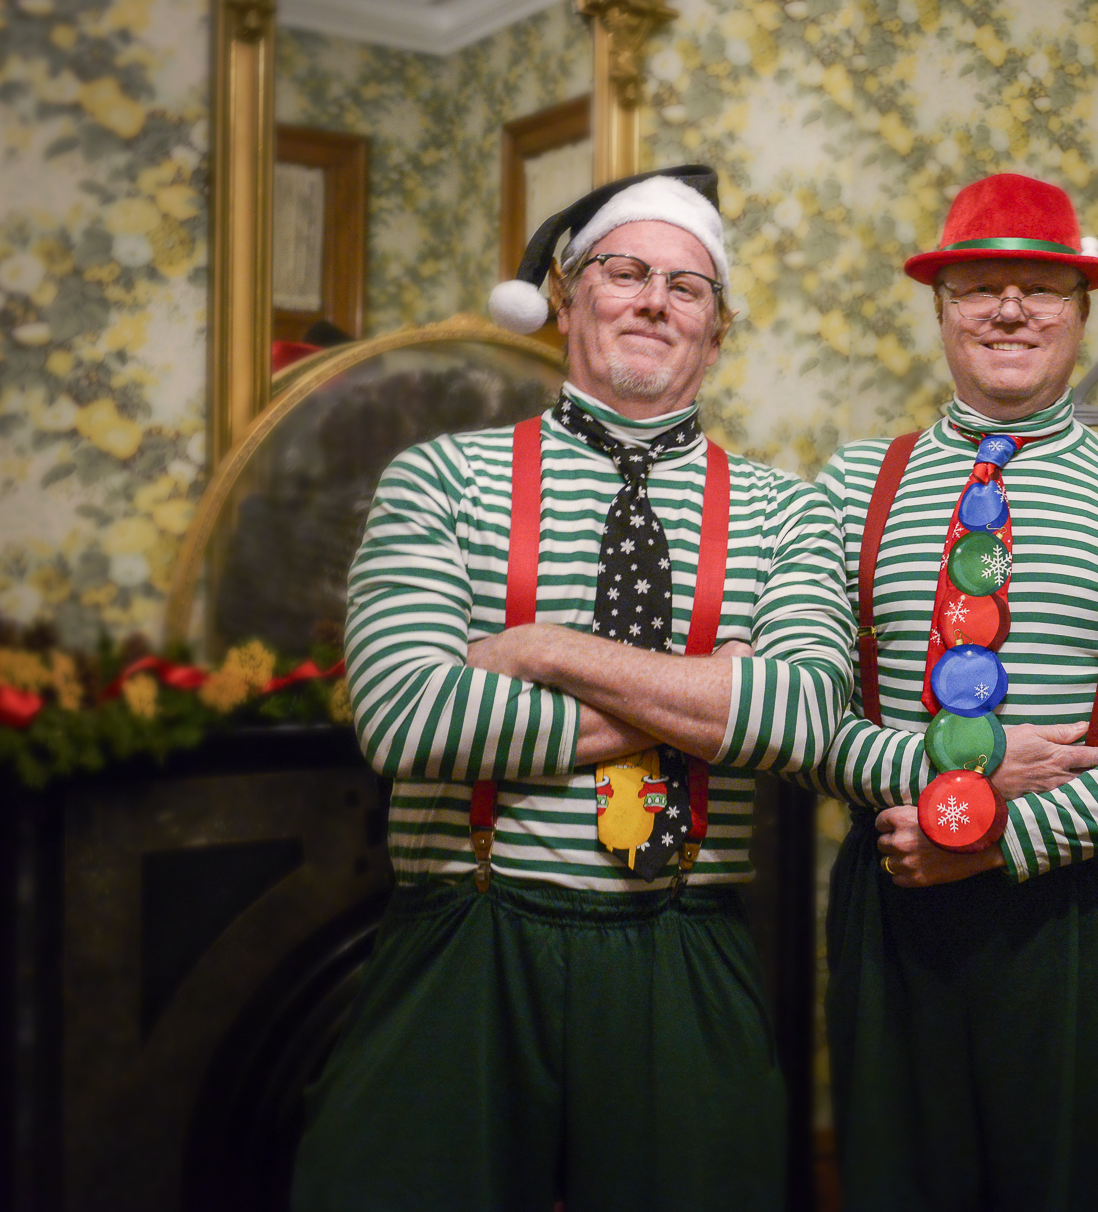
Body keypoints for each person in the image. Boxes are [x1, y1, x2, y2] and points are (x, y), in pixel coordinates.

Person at [292, 166, 853, 1212]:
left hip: (682, 939)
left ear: (717, 331)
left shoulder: (787, 511)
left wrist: (543, 646)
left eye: (686, 287)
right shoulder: (439, 478)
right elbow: (409, 715)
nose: (652, 299)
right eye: (624, 270)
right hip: (465, 932)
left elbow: (803, 720)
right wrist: (706, 697)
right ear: (565, 295)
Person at [814, 173, 1098, 1212]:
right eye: (979, 286)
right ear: (941, 308)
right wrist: (936, 788)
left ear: (1082, 312)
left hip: (1090, 904)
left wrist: (1006, 834)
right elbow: (802, 715)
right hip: (896, 884)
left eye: (1041, 287)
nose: (1010, 309)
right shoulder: (852, 484)